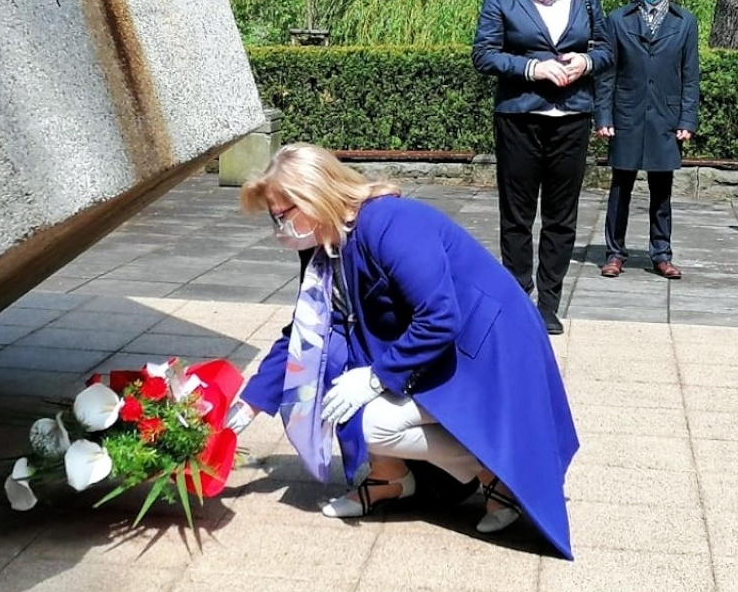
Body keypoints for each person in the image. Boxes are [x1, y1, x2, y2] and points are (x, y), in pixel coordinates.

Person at [228, 144, 579, 558]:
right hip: (444, 348)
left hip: (487, 354)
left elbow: (439, 317)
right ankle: (390, 479)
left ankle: (496, 473)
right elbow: (306, 332)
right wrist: (248, 405)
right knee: (338, 387)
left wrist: (377, 378)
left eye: (281, 216)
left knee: (371, 418)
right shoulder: (325, 241)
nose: (278, 229)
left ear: (313, 197)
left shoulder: (392, 223)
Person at [471, 0, 611, 335]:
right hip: (520, 115)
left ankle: (548, 301)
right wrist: (533, 68)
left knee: (560, 215)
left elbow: (606, 49)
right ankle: (517, 294)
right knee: (517, 213)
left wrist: (585, 61)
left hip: (571, 116)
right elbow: (484, 54)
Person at [594, 0, 700, 279]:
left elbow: (690, 75)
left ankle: (661, 254)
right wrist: (603, 116)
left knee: (661, 189)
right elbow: (606, 73)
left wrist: (687, 119)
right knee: (620, 188)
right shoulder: (618, 20)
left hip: (666, 118)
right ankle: (614, 253)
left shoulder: (685, 22)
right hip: (626, 115)